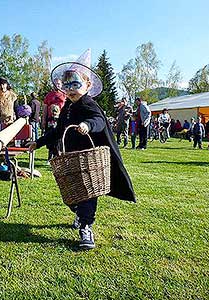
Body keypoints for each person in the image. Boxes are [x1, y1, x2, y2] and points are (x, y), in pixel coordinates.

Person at [27, 50, 136, 250]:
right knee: (71, 193)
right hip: (71, 157)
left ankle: (86, 226)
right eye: (67, 86)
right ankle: (79, 214)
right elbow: (58, 130)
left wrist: (87, 124)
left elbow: (99, 121)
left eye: (75, 84)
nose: (71, 90)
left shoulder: (88, 103)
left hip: (89, 158)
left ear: (87, 85)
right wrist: (39, 142)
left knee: (88, 192)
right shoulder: (67, 106)